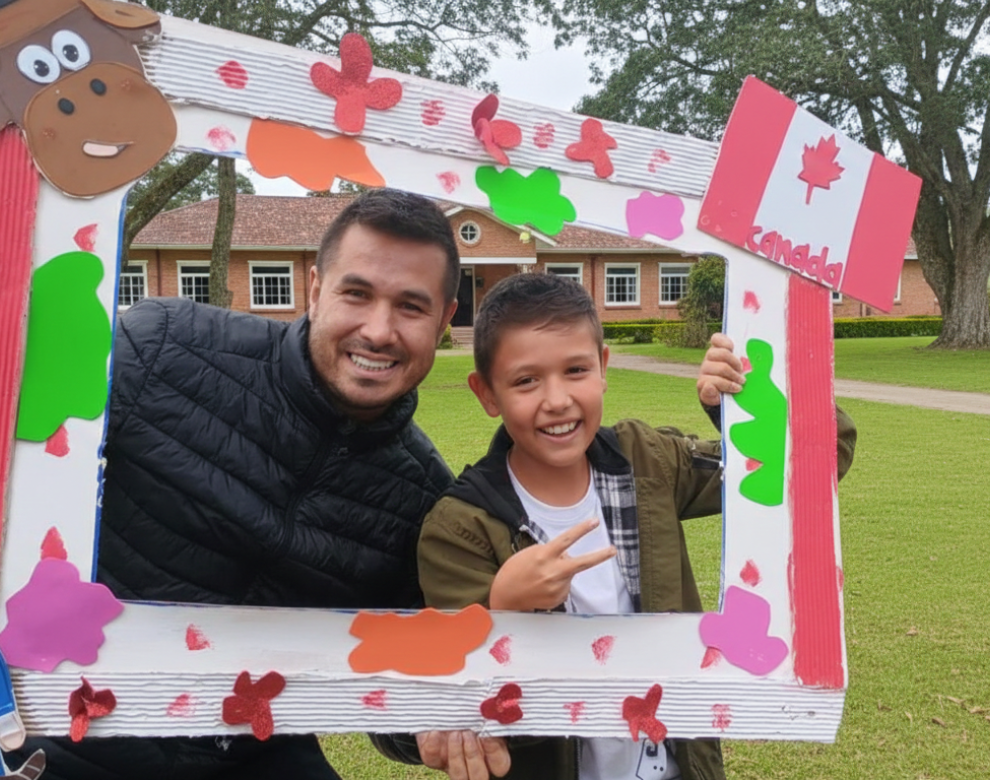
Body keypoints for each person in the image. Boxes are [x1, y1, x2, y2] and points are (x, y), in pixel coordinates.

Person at [4, 189, 508, 779]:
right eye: (356, 293)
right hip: (61, 727)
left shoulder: (421, 497)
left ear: (445, 320)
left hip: (252, 748)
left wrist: (432, 718)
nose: (379, 330)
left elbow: (399, 675)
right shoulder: (163, 348)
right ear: (315, 288)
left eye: (411, 307)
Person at [417, 272, 857, 780]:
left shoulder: (647, 461)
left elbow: (815, 463)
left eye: (576, 370)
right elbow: (471, 714)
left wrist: (744, 401)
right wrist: (504, 607)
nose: (557, 399)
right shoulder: (460, 527)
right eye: (525, 381)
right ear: (487, 393)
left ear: (603, 368)